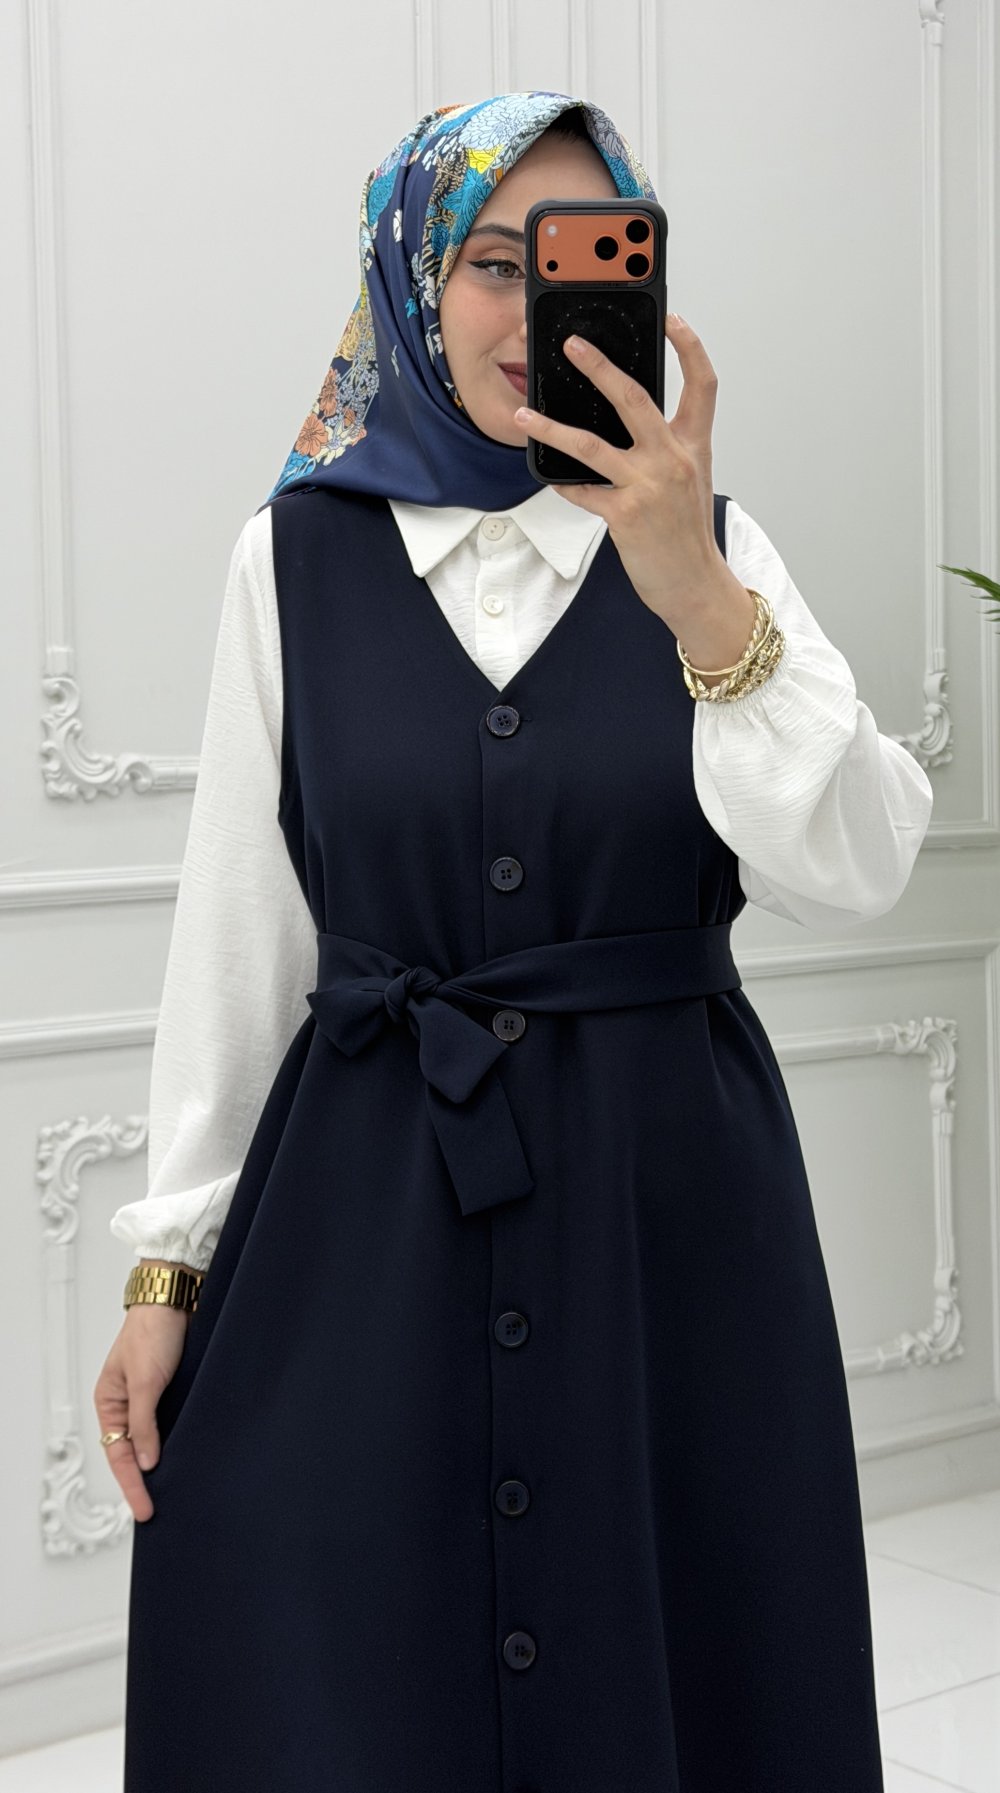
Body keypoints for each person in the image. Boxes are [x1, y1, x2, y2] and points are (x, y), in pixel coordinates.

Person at [94, 91, 932, 1791]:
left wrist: (699, 597)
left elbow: (862, 859)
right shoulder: (292, 559)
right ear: (413, 277)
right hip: (367, 1200)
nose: (530, 314)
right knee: (340, 1659)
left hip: (666, 1213)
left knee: (684, 1648)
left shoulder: (716, 546)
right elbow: (240, 932)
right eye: (492, 262)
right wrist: (170, 1267)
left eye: (578, 264)